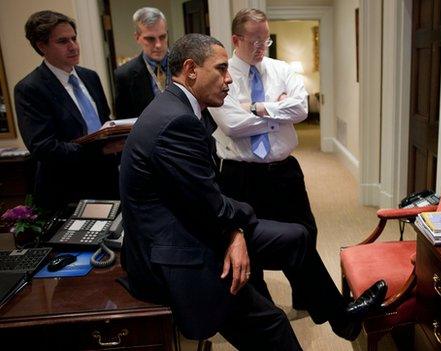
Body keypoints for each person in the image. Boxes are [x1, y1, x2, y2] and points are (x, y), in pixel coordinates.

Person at [120, 33, 387, 349]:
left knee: (297, 237)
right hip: (178, 250)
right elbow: (210, 204)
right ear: (191, 69)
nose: (229, 78)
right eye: (220, 69)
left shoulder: (179, 107)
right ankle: (330, 318)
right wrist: (239, 225)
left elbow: (204, 196)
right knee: (272, 323)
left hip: (194, 223)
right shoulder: (175, 121)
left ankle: (342, 318)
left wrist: (235, 229)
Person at [208, 7, 316, 311]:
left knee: (305, 232)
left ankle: (305, 297)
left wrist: (257, 107)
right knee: (249, 242)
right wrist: (278, 114)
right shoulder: (220, 73)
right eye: (254, 41)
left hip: (284, 171)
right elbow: (232, 125)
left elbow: (302, 110)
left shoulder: (281, 69)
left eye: (265, 40)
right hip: (241, 174)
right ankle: (263, 307)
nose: (260, 48)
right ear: (235, 39)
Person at [14, 11, 119, 212]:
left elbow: (103, 122)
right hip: (66, 193)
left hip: (107, 183)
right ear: (41, 46)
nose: (73, 46)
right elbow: (44, 148)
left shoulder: (90, 77)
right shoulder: (30, 89)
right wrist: (99, 150)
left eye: (74, 38)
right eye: (63, 41)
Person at [113, 7, 170, 119]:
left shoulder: (184, 65)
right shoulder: (124, 75)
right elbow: (124, 121)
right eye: (150, 39)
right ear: (137, 38)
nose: (158, 45)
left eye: (162, 37)